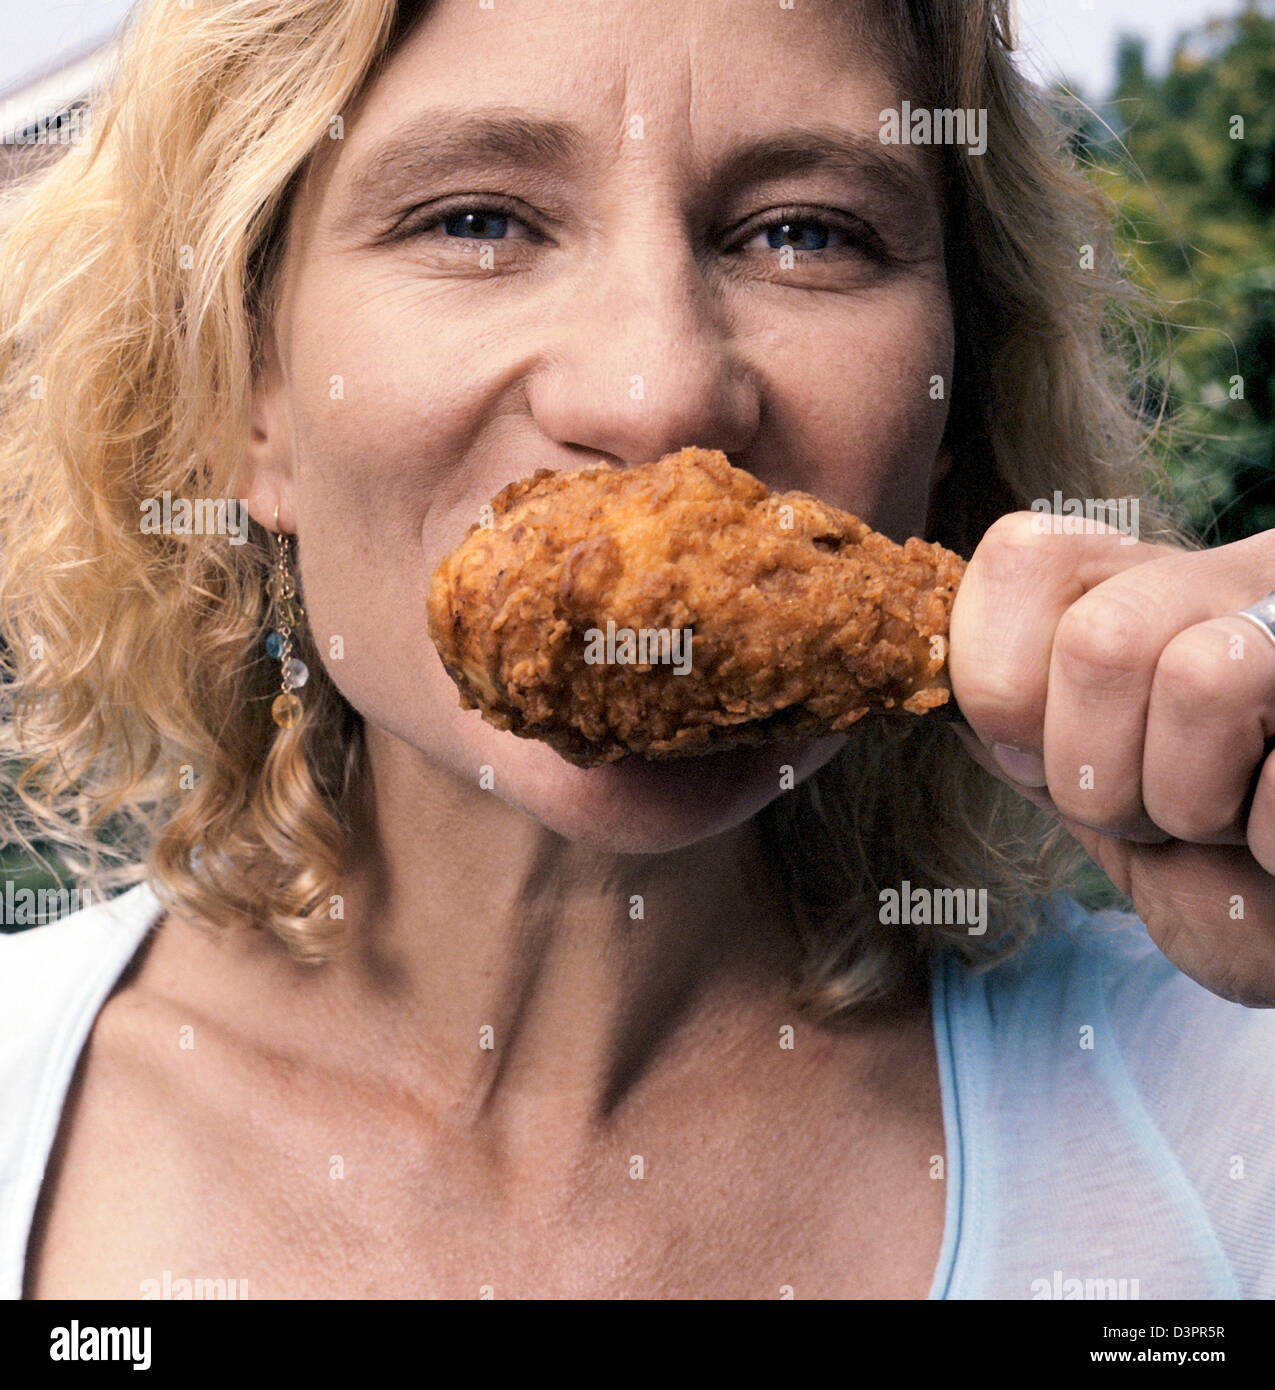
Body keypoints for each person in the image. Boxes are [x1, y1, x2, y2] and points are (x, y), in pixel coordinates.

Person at [1, 0, 1272, 1300]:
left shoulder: (1226, 1114)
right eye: (478, 220)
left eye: (804, 233)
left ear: (950, 411)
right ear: (247, 395)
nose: (658, 392)